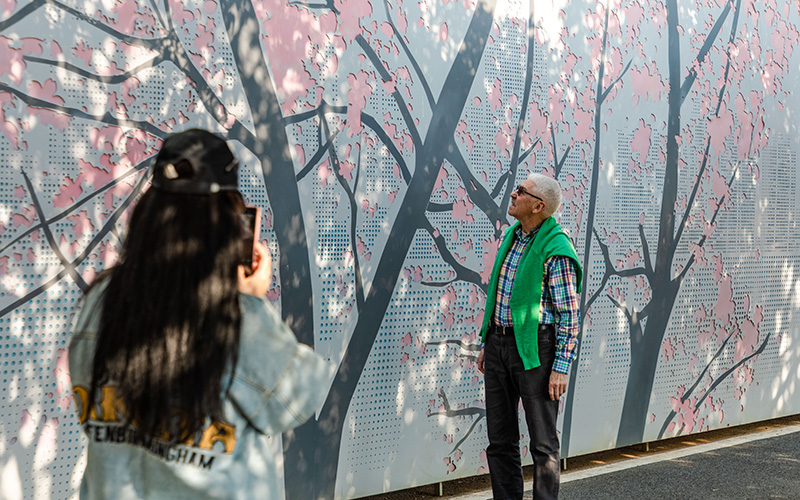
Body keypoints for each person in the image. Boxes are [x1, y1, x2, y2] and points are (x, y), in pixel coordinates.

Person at [68, 129, 329, 500]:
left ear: (150, 216)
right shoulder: (236, 318)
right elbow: (299, 397)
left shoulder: (100, 303)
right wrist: (252, 302)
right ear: (225, 227)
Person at [477, 173, 582, 500]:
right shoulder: (512, 237)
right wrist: (488, 342)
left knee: (542, 444)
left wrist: (561, 366)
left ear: (539, 206)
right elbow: (499, 295)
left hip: (537, 349)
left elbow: (569, 313)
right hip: (499, 345)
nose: (513, 194)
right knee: (500, 442)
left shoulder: (555, 248)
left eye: (520, 191)